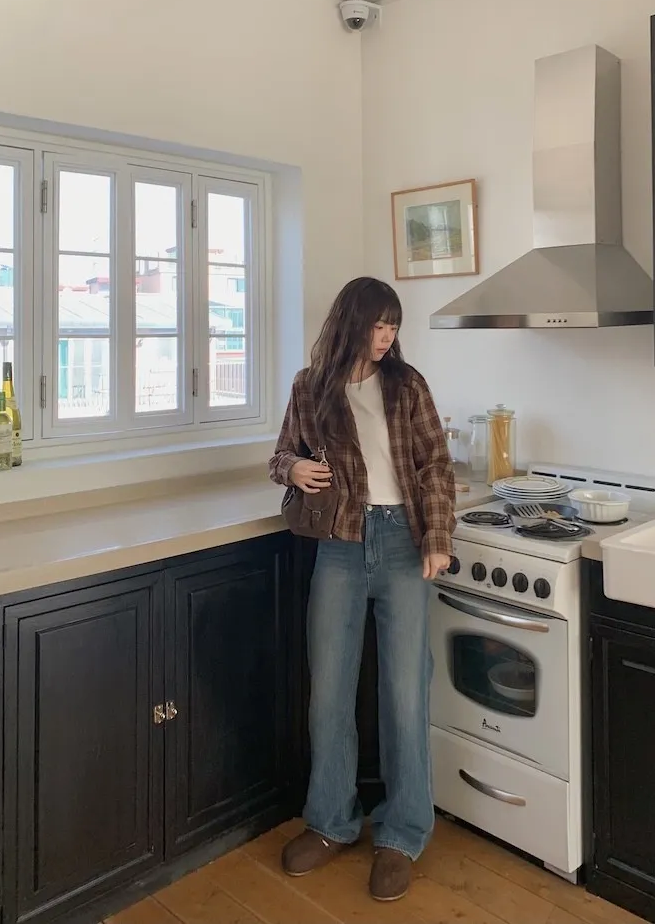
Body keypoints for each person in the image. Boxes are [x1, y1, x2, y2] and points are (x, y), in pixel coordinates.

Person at [269, 276, 456, 902]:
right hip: (340, 548)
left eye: (393, 326)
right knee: (328, 692)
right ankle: (330, 822)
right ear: (351, 322)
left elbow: (435, 465)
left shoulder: (407, 385)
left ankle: (402, 833)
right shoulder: (310, 386)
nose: (386, 336)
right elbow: (280, 457)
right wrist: (295, 467)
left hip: (404, 543)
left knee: (405, 694)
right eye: (378, 325)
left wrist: (437, 538)